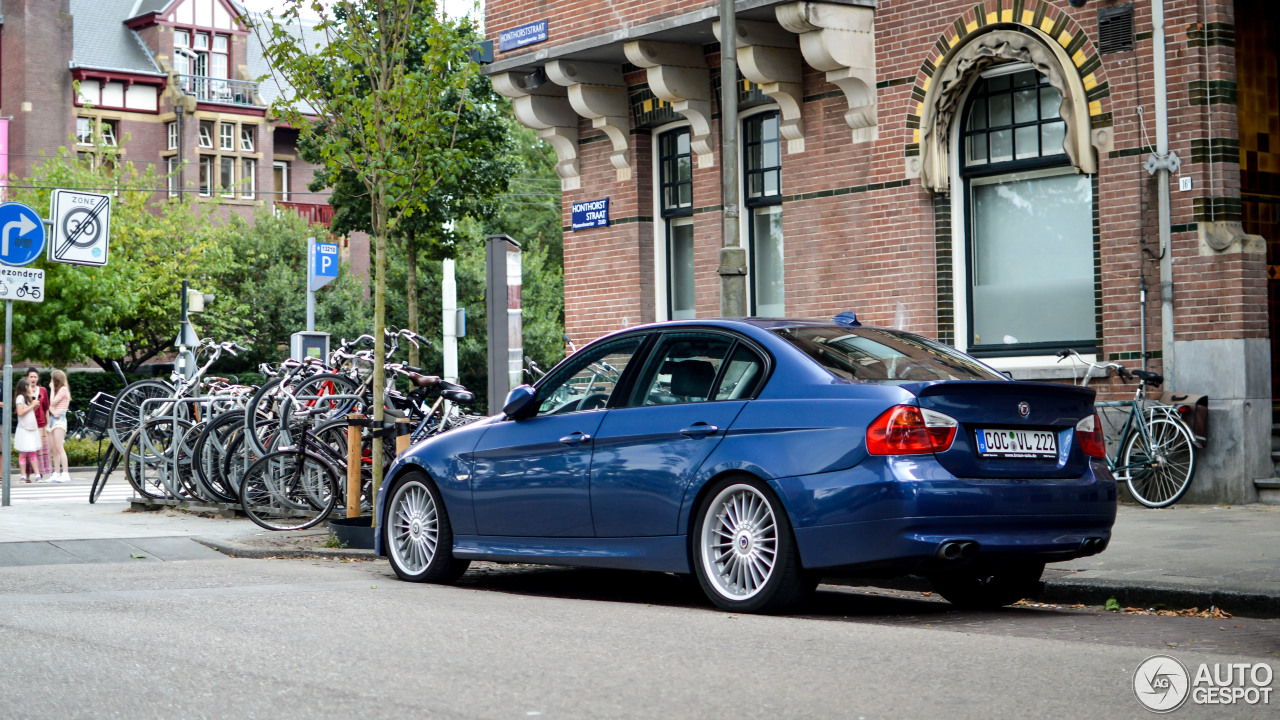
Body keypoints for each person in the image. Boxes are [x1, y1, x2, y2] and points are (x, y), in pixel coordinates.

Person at [13, 377, 43, 482]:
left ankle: (37, 474)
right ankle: (23, 475)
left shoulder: (28, 397)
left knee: (32, 452)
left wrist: (34, 406)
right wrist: (32, 406)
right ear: (26, 387)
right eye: (29, 385)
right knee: (23, 452)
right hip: (24, 428)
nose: (31, 387)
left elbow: (31, 412)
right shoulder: (20, 397)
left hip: (31, 427)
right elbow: (20, 412)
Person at [26, 368, 51, 480]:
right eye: (31, 376)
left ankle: (40, 472)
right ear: (27, 378)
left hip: (41, 424)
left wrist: (48, 424)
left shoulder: (43, 390)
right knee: (29, 449)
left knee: (40, 448)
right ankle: (27, 474)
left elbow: (46, 408)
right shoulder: (24, 391)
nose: (33, 379)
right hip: (28, 424)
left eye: (35, 376)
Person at [47, 370, 71, 483]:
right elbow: (50, 407)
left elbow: (52, 403)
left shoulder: (63, 389)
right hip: (53, 419)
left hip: (59, 420)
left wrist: (51, 389)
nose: (51, 381)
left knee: (59, 447)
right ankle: (56, 473)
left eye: (52, 379)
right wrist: (52, 409)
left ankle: (65, 473)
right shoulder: (58, 391)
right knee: (54, 449)